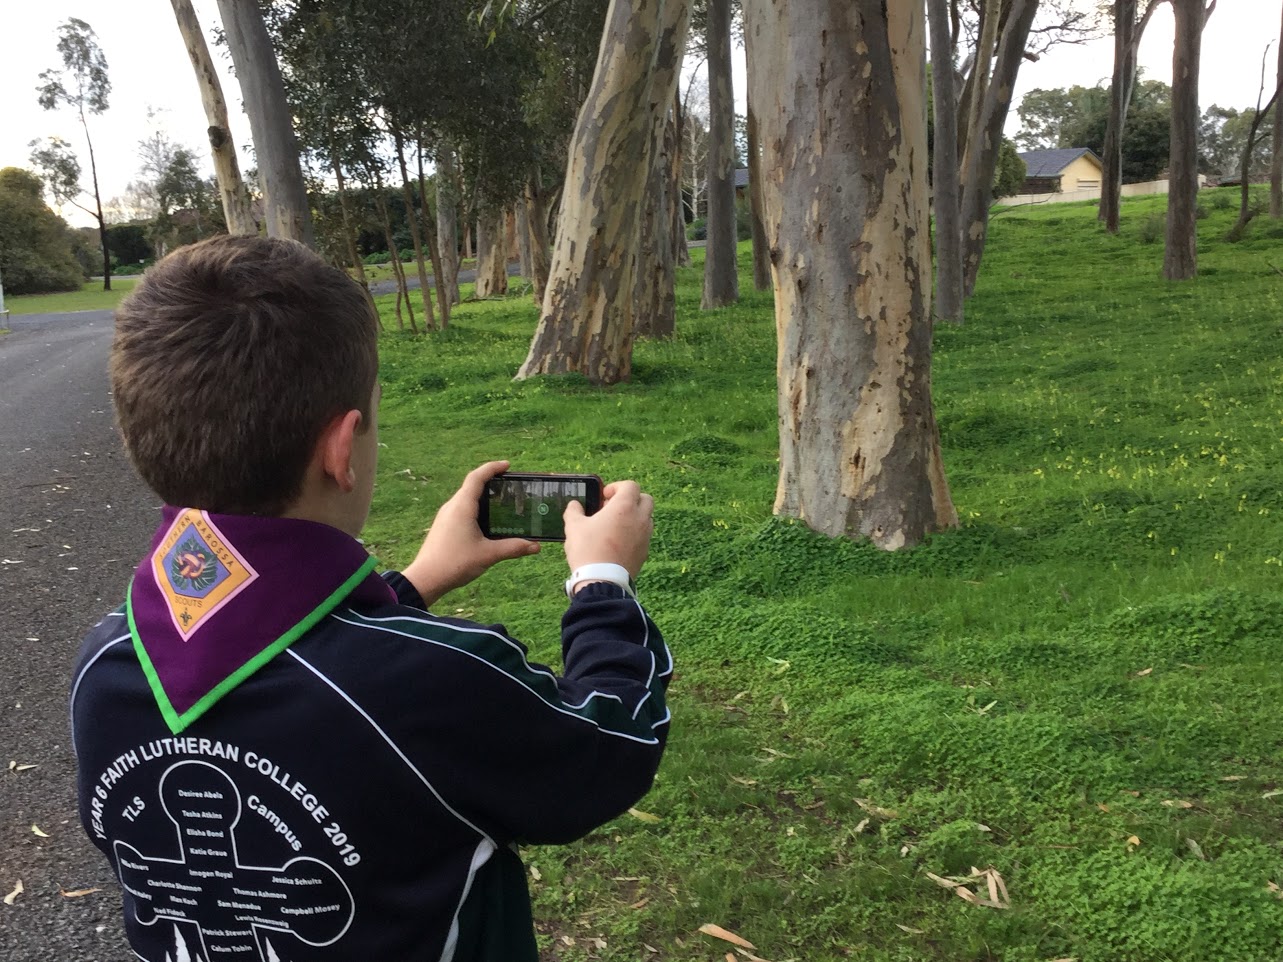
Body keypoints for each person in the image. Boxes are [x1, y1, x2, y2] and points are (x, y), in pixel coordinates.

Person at [70, 235, 670, 962]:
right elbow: (605, 750)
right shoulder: (435, 680)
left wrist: (414, 583)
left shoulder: (103, 667)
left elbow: (294, 672)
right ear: (342, 449)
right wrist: (602, 582)